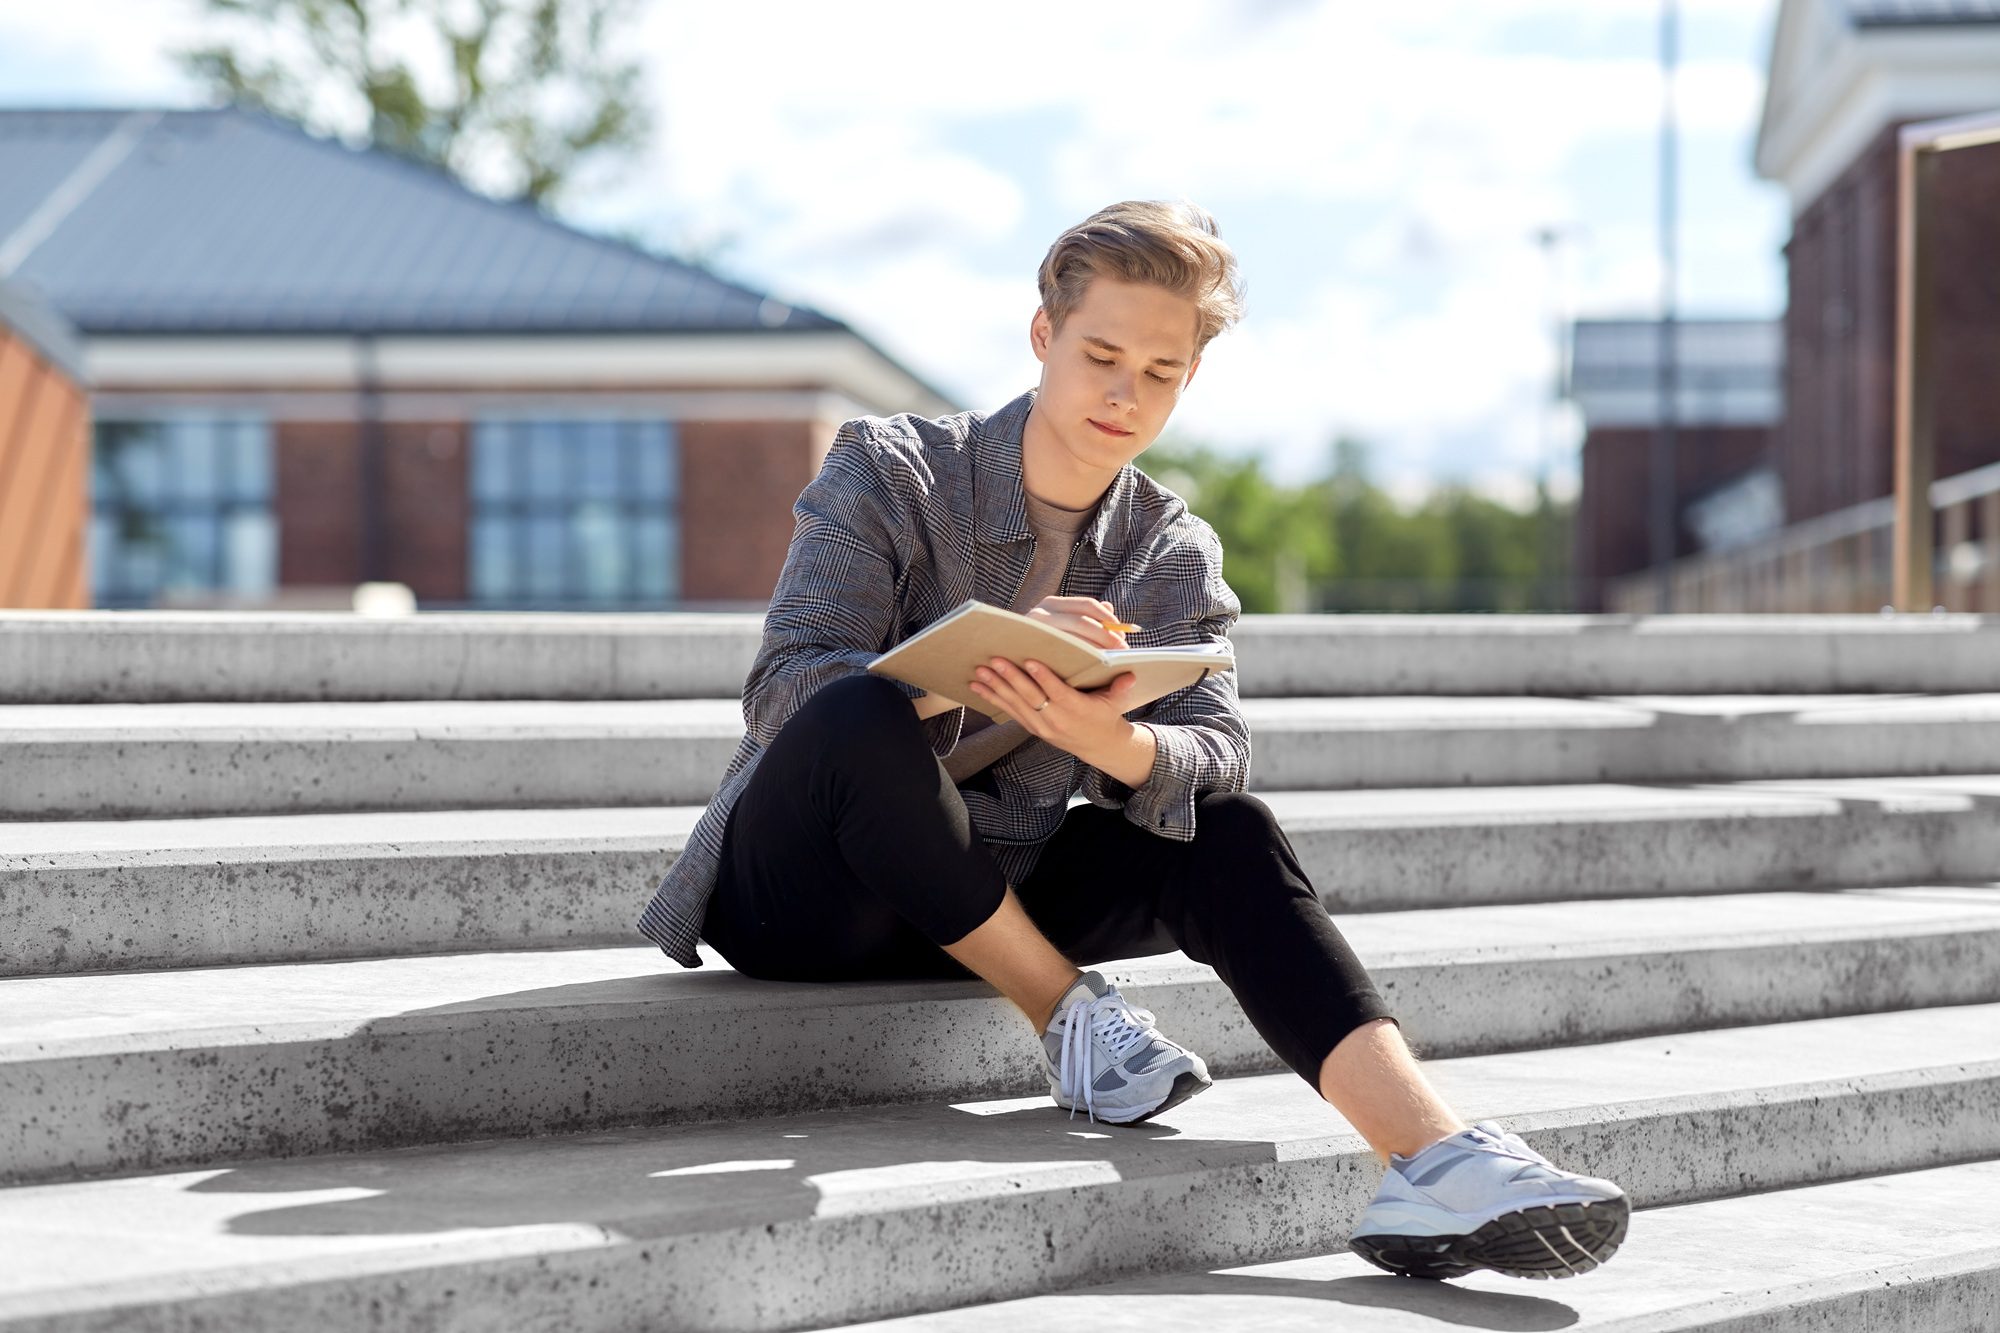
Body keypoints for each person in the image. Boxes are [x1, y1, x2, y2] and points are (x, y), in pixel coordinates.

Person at [639, 199, 1628, 1282]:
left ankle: (1434, 1158)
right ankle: (1068, 1013)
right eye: (1100, 354)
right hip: (797, 897)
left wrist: (1108, 740)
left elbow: (1216, 745)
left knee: (1231, 829)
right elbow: (785, 691)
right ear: (1041, 337)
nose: (1123, 393)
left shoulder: (1166, 547)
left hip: (991, 878)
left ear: (1188, 381)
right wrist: (968, 671)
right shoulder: (892, 469)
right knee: (859, 708)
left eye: (1158, 372)